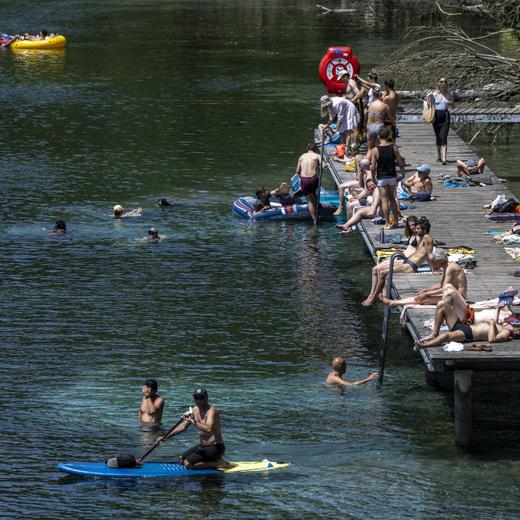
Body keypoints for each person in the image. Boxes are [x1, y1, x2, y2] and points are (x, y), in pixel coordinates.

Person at [362, 216, 434, 306]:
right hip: (407, 261)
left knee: (383, 272)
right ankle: (375, 296)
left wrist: (433, 270)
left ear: (424, 229)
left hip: (411, 266)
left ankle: (373, 299)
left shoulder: (428, 238)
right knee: (380, 270)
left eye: (418, 228)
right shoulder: (422, 237)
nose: (416, 230)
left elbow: (429, 255)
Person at [415, 290, 520, 349]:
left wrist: (492, 323)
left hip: (468, 334)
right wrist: (498, 310)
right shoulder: (504, 327)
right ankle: (434, 333)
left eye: (516, 326)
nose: (514, 324)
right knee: (442, 304)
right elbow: (495, 327)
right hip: (464, 327)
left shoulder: (506, 333)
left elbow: (492, 339)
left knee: (446, 336)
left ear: (517, 332)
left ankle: (423, 345)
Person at [158, 388, 231, 469]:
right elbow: (183, 426)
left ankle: (219, 463)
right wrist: (165, 437)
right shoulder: (195, 409)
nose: (199, 401)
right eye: (196, 398)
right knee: (182, 459)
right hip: (203, 446)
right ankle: (213, 461)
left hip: (215, 448)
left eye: (201, 398)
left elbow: (208, 429)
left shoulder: (212, 411)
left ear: (206, 398)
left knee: (187, 464)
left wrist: (194, 422)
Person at [379, 248, 467, 307]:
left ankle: (393, 302)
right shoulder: (446, 267)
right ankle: (393, 302)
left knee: (425, 298)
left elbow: (443, 288)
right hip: (451, 293)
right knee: (422, 296)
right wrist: (427, 290)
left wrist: (427, 294)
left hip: (458, 297)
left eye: (434, 262)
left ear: (440, 260)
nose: (433, 264)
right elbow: (440, 284)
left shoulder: (451, 268)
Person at [371, 127, 405, 229]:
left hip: (382, 177)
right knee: (392, 199)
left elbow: (373, 167)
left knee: (384, 200)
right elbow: (400, 162)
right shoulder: (394, 148)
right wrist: (403, 174)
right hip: (392, 176)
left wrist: (373, 178)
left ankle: (387, 223)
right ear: (388, 136)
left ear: (378, 136)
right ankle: (395, 221)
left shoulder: (375, 150)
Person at [295, 142, 321, 224]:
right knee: (313, 196)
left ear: (307, 148)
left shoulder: (302, 156)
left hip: (305, 180)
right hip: (313, 179)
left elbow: (297, 171)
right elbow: (324, 165)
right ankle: (316, 216)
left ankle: (314, 219)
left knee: (309, 200)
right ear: (315, 149)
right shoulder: (317, 156)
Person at [432, 77, 455, 165]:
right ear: (438, 83)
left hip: (445, 115)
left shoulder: (449, 94)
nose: (443, 83)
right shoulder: (434, 94)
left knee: (444, 136)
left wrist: (450, 103)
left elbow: (453, 106)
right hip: (436, 115)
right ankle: (439, 157)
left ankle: (444, 158)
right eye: (441, 81)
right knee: (438, 136)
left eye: (444, 81)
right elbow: (428, 104)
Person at [337, 69, 361, 150]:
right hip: (349, 107)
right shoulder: (348, 83)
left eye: (341, 78)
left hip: (353, 106)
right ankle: (351, 146)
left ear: (345, 76)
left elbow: (358, 93)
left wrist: (351, 101)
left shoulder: (351, 83)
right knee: (350, 127)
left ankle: (355, 146)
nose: (340, 80)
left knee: (354, 127)